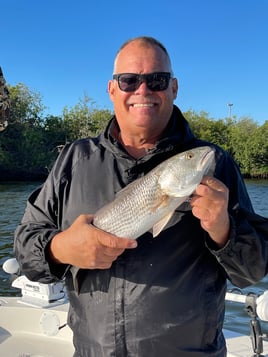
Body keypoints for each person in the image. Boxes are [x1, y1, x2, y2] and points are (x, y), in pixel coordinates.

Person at [14, 36, 268, 357]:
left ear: (174, 88)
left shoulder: (215, 163)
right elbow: (26, 248)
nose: (143, 91)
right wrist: (60, 249)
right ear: (111, 90)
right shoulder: (74, 159)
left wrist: (224, 229)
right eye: (129, 80)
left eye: (157, 80)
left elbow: (253, 271)